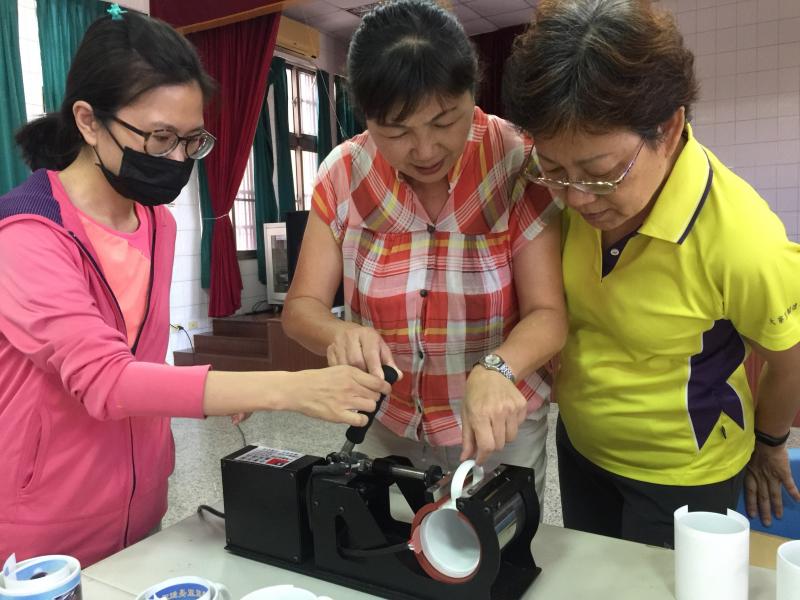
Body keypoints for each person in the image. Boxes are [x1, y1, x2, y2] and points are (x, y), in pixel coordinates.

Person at [0, 6, 390, 567]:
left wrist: (212, 393)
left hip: (142, 507)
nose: (178, 159)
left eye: (191, 140)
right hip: (41, 528)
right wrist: (286, 388)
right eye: (160, 137)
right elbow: (105, 380)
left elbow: (140, 363)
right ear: (88, 121)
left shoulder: (158, 223)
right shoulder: (28, 235)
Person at [503, 0, 800, 547]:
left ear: (668, 129)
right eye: (554, 170)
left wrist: (771, 442)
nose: (574, 198)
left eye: (600, 173)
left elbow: (789, 358)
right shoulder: (565, 196)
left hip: (682, 473)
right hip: (582, 446)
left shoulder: (741, 239)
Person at [282, 0, 567, 501]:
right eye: (396, 131)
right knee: (385, 555)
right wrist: (339, 331)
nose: (425, 150)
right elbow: (300, 310)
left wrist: (497, 368)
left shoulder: (516, 161)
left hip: (496, 425)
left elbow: (548, 314)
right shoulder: (343, 174)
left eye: (444, 122)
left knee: (491, 561)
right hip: (386, 420)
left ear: (471, 94)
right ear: (366, 116)